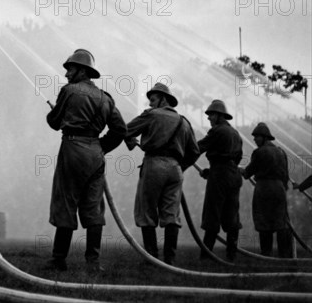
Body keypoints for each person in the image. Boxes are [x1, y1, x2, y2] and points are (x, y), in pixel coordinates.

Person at [46, 49, 126, 272]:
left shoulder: (69, 91)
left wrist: (53, 113)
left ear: (82, 70)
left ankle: (58, 259)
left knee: (66, 202)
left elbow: (54, 122)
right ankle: (93, 262)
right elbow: (120, 129)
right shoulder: (105, 98)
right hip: (96, 154)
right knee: (93, 209)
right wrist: (101, 147)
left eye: (70, 69)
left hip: (72, 149)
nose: (67, 74)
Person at [125, 83, 200, 266]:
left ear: (163, 99)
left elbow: (124, 130)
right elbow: (195, 151)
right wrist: (180, 167)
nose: (150, 104)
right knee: (171, 215)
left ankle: (151, 258)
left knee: (146, 212)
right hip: (176, 169)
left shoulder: (151, 115)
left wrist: (131, 141)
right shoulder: (184, 122)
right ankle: (170, 259)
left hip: (154, 164)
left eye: (153, 100)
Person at [197, 99, 242, 261]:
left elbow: (198, 147)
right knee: (232, 216)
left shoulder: (217, 131)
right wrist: (213, 169)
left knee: (212, 214)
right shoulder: (235, 134)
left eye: (211, 115)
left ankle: (206, 255)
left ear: (219, 115)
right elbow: (235, 159)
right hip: (233, 175)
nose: (209, 118)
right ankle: (232, 255)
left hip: (220, 177)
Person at [241, 123, 293, 257]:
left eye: (257, 137)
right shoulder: (281, 152)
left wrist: (240, 170)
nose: (254, 139)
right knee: (281, 223)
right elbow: (285, 176)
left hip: (263, 189)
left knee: (264, 223)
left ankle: (266, 254)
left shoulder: (258, 152)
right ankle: (284, 256)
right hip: (280, 189)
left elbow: (247, 174)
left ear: (264, 137)